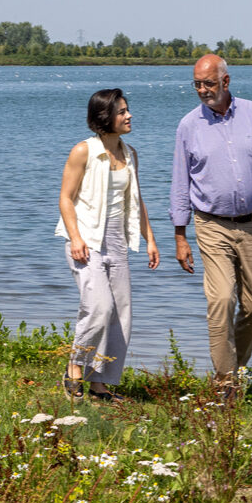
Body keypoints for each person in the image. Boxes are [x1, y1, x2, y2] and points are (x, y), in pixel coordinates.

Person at [170, 54, 252, 398]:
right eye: (196, 83)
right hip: (212, 225)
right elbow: (180, 184)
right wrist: (180, 236)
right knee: (222, 298)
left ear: (226, 81)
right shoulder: (188, 126)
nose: (202, 90)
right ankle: (226, 383)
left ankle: (234, 368)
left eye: (208, 83)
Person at [57, 88, 160, 401]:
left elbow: (136, 200)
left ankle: (99, 384)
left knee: (119, 314)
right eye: (121, 112)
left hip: (118, 241)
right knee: (99, 307)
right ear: (105, 117)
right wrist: (75, 238)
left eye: (128, 110)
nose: (128, 116)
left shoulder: (130, 154)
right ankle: (74, 368)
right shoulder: (83, 151)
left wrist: (150, 239)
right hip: (86, 240)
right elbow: (65, 198)